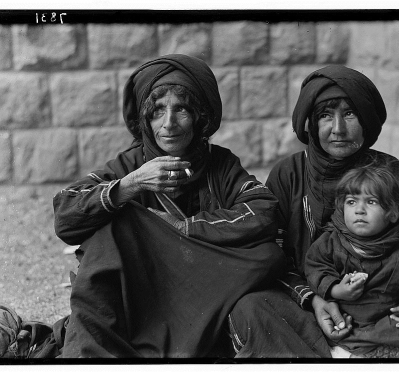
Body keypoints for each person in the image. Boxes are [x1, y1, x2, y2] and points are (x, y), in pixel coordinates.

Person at [228, 65, 399, 358]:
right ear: (310, 122)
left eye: (350, 114)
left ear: (367, 120)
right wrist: (314, 300)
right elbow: (273, 256)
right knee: (250, 308)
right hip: (313, 303)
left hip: (388, 305)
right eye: (325, 115)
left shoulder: (391, 172)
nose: (338, 129)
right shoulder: (288, 174)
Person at [48, 54, 286, 358]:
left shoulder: (219, 164)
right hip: (145, 293)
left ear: (199, 117)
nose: (169, 124)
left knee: (269, 254)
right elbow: (66, 216)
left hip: (201, 283)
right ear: (145, 119)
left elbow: (264, 209)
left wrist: (183, 227)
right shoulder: (130, 164)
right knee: (115, 225)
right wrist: (131, 184)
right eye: (158, 110)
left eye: (182, 109)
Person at [305, 162, 399, 356]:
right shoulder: (330, 242)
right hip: (348, 321)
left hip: (389, 321)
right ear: (341, 207)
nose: (359, 210)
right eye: (351, 202)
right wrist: (336, 289)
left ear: (392, 213)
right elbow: (315, 266)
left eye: (371, 202)